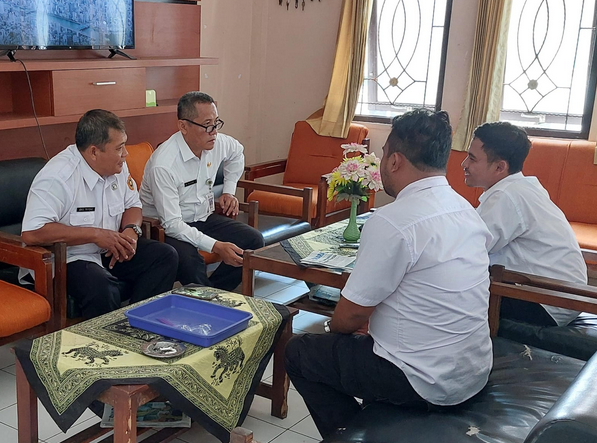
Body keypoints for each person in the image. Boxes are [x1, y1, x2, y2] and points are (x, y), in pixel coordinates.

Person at [285, 109, 493, 439]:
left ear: (395, 161)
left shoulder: (393, 221)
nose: (382, 163)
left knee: (298, 352)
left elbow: (349, 314)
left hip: (423, 381)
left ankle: (351, 435)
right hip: (471, 371)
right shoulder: (465, 210)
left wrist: (338, 328)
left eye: (383, 155)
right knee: (360, 342)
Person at [21, 109, 178, 319]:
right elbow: (32, 232)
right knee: (101, 286)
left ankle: (139, 326)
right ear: (94, 152)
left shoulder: (117, 167)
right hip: (66, 259)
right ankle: (103, 347)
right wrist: (95, 235)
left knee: (165, 256)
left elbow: (133, 205)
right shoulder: (58, 177)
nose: (126, 154)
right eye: (120, 148)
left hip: (108, 249)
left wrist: (131, 232)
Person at [462, 121, 587, 326]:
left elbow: (467, 249)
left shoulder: (507, 196)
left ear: (500, 166)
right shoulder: (520, 188)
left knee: (443, 292)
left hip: (547, 302)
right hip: (559, 298)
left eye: (472, 158)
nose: (464, 164)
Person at [140, 91, 264, 291]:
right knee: (190, 263)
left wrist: (229, 191)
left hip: (203, 217)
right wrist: (216, 246)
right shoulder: (164, 164)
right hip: (164, 228)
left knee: (253, 240)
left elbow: (237, 153)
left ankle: (214, 294)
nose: (213, 131)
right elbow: (172, 225)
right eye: (207, 125)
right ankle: (208, 299)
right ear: (183, 126)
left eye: (216, 123)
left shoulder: (216, 142)